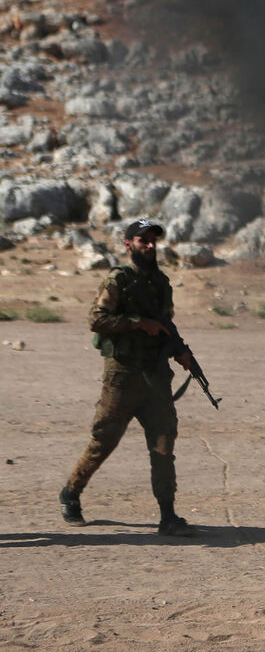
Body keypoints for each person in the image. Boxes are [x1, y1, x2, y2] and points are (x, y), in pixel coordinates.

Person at [59, 219, 196, 536]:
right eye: (142, 240)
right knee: (104, 441)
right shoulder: (118, 280)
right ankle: (71, 492)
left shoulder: (161, 283)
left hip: (155, 376)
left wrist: (180, 351)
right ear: (128, 244)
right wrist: (137, 322)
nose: (149, 246)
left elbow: (166, 325)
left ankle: (168, 516)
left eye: (153, 241)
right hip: (121, 375)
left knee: (163, 445)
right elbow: (96, 319)